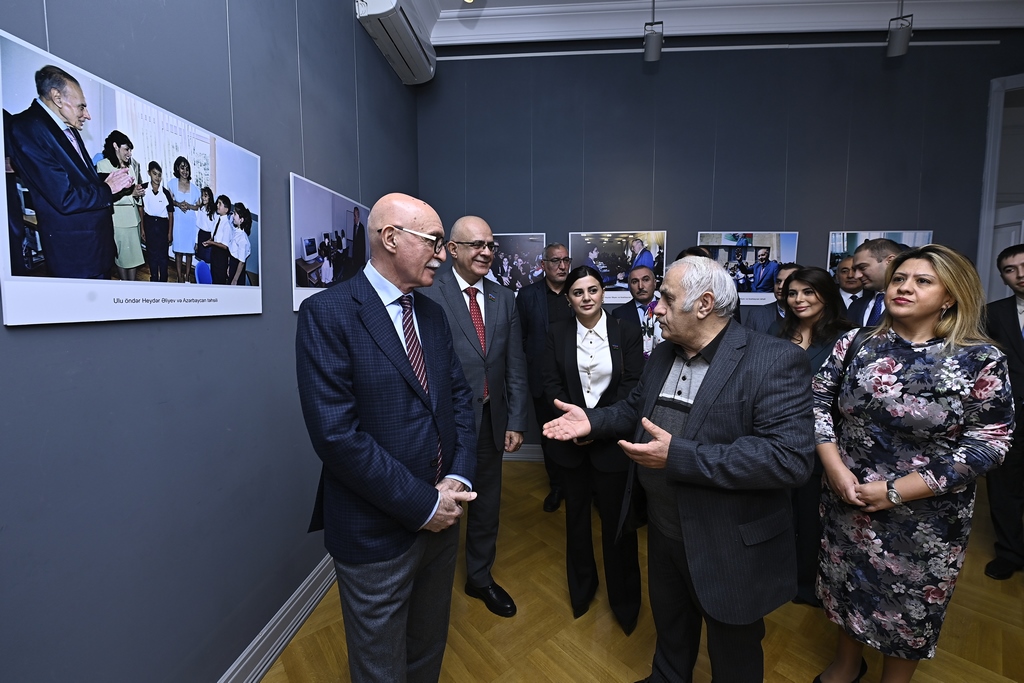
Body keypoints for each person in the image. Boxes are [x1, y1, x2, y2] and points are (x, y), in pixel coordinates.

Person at [544, 256, 814, 682]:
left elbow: (789, 459)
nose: (656, 307)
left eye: (667, 298)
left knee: (733, 652)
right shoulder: (666, 354)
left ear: (704, 304)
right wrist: (593, 421)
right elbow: (636, 408)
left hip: (728, 541)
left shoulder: (773, 361)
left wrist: (680, 457)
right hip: (665, 529)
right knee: (671, 630)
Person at [296, 192, 477, 683]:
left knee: (426, 650)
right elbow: (337, 437)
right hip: (376, 533)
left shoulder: (433, 316)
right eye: (434, 242)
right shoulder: (327, 314)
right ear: (391, 238)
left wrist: (456, 479)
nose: (443, 254)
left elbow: (460, 402)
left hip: (443, 522)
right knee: (380, 669)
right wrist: (423, 503)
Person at [811, 244, 1013, 683]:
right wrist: (834, 468)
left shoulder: (979, 358)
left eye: (923, 281)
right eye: (900, 278)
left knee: (910, 605)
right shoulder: (856, 343)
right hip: (848, 496)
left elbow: (990, 442)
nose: (904, 287)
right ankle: (847, 664)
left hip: (926, 515)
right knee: (845, 584)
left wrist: (898, 491)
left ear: (950, 296)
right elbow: (818, 402)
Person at [422, 215, 527, 618]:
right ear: (452, 250)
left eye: (490, 245)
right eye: (476, 245)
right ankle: (432, 584)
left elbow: (514, 364)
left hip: (490, 423)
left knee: (486, 505)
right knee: (437, 504)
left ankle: (479, 577)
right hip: (441, 426)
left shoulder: (505, 299)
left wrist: (516, 419)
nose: (486, 252)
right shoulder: (430, 294)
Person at [542, 265, 644, 634]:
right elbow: (551, 384)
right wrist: (574, 428)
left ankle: (626, 602)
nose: (587, 298)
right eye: (578, 292)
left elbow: (633, 388)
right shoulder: (556, 333)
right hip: (570, 447)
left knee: (619, 525)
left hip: (611, 445)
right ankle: (582, 592)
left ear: (604, 293)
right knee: (576, 522)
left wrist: (596, 425)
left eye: (593, 290)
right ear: (568, 299)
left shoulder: (627, 332)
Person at [769, 266, 853, 606]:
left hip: (822, 442)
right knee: (780, 513)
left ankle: (809, 584)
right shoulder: (778, 331)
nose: (799, 300)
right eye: (792, 293)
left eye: (808, 292)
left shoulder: (846, 336)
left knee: (812, 516)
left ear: (826, 294)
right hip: (777, 436)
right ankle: (779, 578)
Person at [6, 65, 134, 278]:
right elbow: (64, 196)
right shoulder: (27, 127)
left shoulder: (66, 128)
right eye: (81, 107)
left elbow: (81, 178)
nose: (88, 115)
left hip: (96, 247)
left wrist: (110, 180)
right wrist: (108, 188)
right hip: (77, 254)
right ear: (57, 97)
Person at [517, 243, 574, 512]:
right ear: (543, 265)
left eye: (566, 260)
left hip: (577, 381)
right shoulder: (527, 296)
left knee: (580, 434)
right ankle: (558, 486)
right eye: (556, 261)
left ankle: (582, 486)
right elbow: (522, 339)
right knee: (550, 438)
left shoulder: (578, 291)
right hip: (543, 382)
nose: (562, 266)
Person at [983, 244, 1024, 580]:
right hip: (1009, 417)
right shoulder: (993, 313)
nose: (1020, 274)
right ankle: (1010, 552)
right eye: (1011, 269)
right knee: (1004, 486)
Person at [95, 130, 144, 281]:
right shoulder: (103, 166)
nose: (129, 153)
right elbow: (107, 196)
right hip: (118, 221)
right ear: (115, 146)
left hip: (133, 219)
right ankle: (124, 287)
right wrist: (132, 195)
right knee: (122, 258)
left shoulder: (133, 165)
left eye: (130, 150)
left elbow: (135, 189)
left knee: (134, 257)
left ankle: (133, 286)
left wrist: (138, 194)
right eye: (126, 149)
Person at [846, 238, 903, 326]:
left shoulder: (908, 303)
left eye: (862, 267)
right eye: (855, 270)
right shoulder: (856, 306)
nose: (857, 276)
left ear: (890, 261)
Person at [612, 265, 663, 359]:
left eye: (646, 280)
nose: (640, 286)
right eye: (635, 282)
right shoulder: (619, 314)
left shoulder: (668, 308)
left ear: (655, 283)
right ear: (629, 287)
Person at [139, 161, 173, 282]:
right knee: (152, 254)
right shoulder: (143, 189)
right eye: (154, 174)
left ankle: (163, 279)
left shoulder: (166, 193)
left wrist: (170, 232)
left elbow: (170, 213)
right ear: (149, 173)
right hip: (149, 223)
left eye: (159, 175)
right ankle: (154, 278)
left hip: (162, 225)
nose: (157, 177)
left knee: (163, 256)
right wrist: (142, 228)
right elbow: (141, 208)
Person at [743, 261, 801, 333]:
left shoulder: (810, 316)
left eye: (787, 282)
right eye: (778, 282)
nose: (780, 287)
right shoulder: (756, 314)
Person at [168, 157, 200, 283]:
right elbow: (170, 201)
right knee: (179, 251)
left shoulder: (195, 188)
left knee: (189, 252)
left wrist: (189, 206)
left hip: (190, 223)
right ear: (177, 168)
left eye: (187, 168)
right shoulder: (172, 183)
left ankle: (187, 276)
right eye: (182, 167)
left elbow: (198, 206)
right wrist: (178, 204)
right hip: (179, 222)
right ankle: (179, 276)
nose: (185, 171)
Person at [203, 195, 233, 285]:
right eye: (217, 203)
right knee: (214, 276)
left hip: (221, 256)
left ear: (226, 209)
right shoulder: (218, 219)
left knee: (219, 279)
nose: (217, 205)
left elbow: (225, 246)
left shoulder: (227, 225)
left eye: (220, 204)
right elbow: (214, 236)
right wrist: (209, 241)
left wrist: (211, 242)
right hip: (214, 253)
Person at [227, 202, 252, 285]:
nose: (233, 216)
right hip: (233, 264)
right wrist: (229, 267)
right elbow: (233, 252)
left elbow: (241, 262)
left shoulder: (243, 239)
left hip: (237, 268)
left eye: (235, 214)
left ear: (241, 220)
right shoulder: (236, 231)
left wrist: (235, 279)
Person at [194, 187, 216, 265]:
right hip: (201, 235)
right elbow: (197, 227)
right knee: (202, 259)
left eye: (205, 196)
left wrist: (211, 239)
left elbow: (214, 228)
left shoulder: (214, 211)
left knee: (209, 259)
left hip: (209, 236)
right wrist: (196, 242)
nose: (203, 198)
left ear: (210, 197)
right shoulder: (201, 209)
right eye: (202, 195)